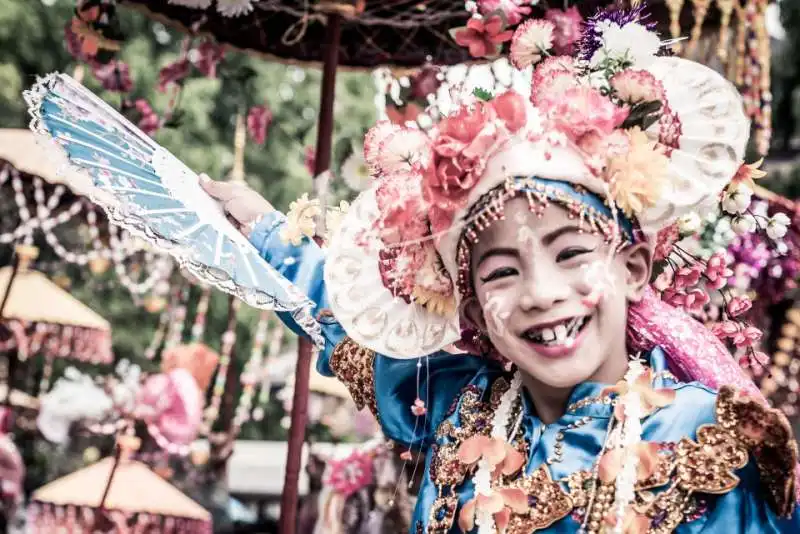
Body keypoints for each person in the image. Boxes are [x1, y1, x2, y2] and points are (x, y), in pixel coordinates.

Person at [201, 5, 800, 533]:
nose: (541, 292)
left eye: (571, 254)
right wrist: (262, 230)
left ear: (633, 268)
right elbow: (330, 308)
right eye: (502, 272)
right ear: (471, 311)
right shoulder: (452, 406)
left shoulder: (705, 438)